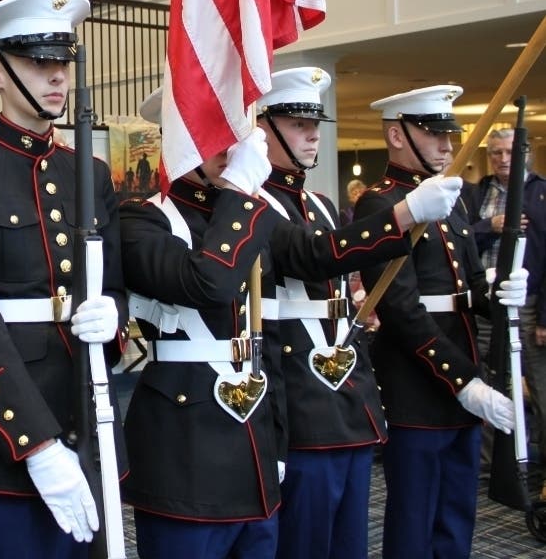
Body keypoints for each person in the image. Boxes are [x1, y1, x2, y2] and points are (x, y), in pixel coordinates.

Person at [120, 85, 454, 559]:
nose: (230, 151)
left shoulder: (250, 214)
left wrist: (405, 213)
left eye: (235, 136)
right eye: (212, 137)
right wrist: (240, 193)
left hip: (253, 440)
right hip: (185, 449)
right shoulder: (141, 219)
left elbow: (316, 257)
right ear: (177, 142)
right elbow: (208, 283)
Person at [0, 0, 127, 555]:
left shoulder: (89, 169)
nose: (56, 77)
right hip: (9, 416)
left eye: (62, 62)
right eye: (39, 62)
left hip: (88, 406)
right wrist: (36, 444)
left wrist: (114, 315)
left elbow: (113, 283)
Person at [354, 85, 527, 559]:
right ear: (396, 134)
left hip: (463, 371)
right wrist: (464, 381)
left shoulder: (453, 199)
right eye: (434, 134)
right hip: (417, 380)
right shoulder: (380, 204)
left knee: (456, 514)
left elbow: (469, 286)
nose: (448, 145)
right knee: (415, 517)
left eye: (449, 135)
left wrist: (500, 293)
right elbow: (400, 308)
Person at [254, 68, 395, 559]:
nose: (314, 133)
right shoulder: (253, 205)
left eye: (315, 122)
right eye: (297, 123)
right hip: (301, 406)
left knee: (349, 544)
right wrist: (403, 215)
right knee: (306, 545)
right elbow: (316, 254)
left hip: (346, 401)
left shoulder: (321, 203)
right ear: (261, 127)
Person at [462, 127, 546, 502]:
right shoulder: (476, 194)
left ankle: (539, 469)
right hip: (484, 302)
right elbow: (462, 238)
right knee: (487, 384)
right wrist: (488, 227)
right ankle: (490, 469)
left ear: (525, 152)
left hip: (528, 304)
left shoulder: (540, 193)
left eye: (510, 151)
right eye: (496, 152)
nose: (503, 159)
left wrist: (544, 316)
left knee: (540, 387)